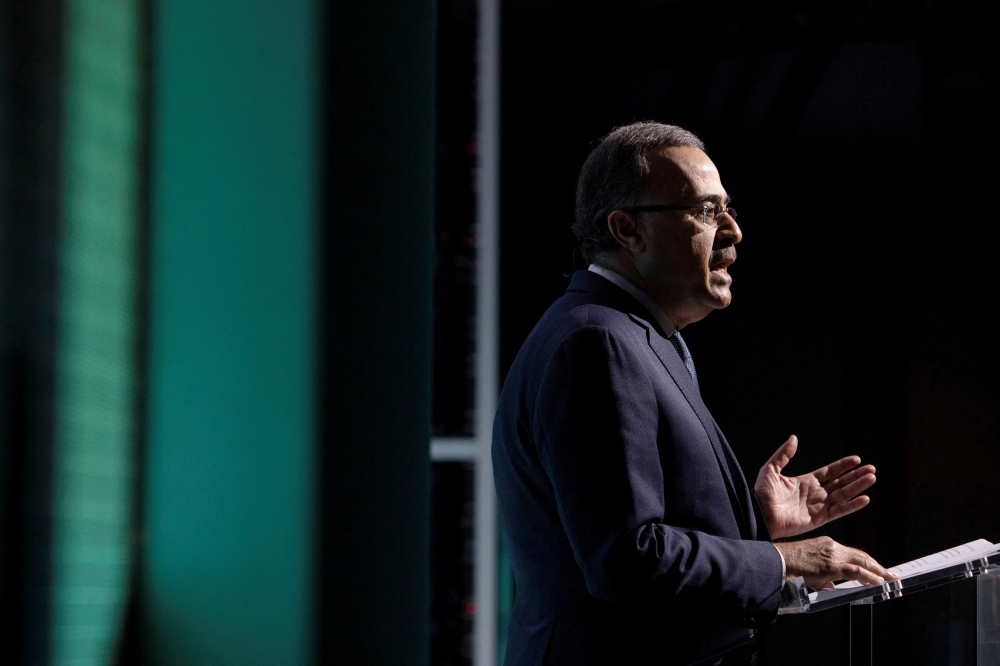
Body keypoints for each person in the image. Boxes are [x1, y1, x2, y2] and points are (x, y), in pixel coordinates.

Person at [491, 122, 897, 666]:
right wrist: (785, 561)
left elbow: (631, 527)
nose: (732, 230)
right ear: (626, 229)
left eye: (727, 208)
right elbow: (625, 558)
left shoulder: (632, 335)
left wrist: (752, 522)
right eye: (705, 211)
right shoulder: (596, 344)